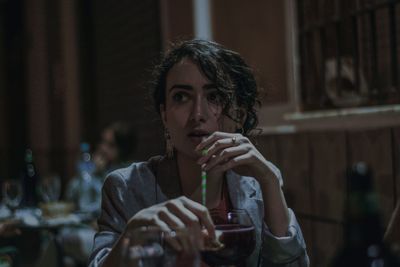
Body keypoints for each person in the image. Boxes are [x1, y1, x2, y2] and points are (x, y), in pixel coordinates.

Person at [89, 39, 309, 267]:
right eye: (181, 97)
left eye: (214, 96)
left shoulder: (257, 188)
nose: (197, 114)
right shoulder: (127, 188)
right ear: (164, 115)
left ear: (240, 115)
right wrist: (128, 241)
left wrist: (270, 181)